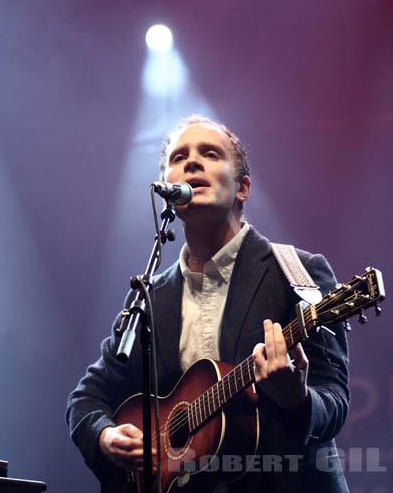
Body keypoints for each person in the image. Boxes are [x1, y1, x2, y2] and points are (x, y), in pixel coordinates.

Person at [66, 115, 349, 492]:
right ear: (167, 187)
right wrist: (106, 437)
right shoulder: (150, 297)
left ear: (243, 187)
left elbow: (334, 400)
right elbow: (87, 398)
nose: (192, 162)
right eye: (179, 157)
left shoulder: (298, 272)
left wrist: (297, 398)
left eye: (210, 154)